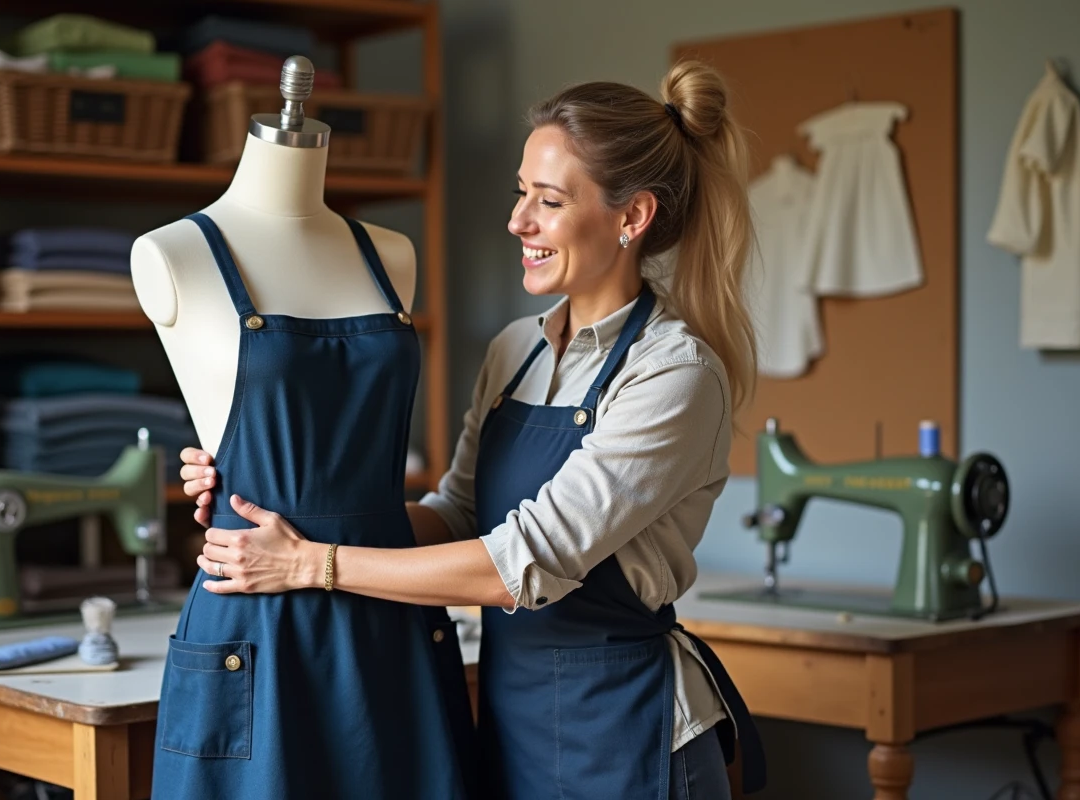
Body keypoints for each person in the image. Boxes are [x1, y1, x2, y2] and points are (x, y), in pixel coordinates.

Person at [178, 58, 767, 799]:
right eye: (522, 193)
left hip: (630, 736)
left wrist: (310, 563)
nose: (518, 221)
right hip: (511, 724)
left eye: (548, 201)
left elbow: (520, 563)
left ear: (633, 217)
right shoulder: (514, 351)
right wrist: (267, 502)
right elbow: (455, 514)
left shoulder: (674, 375)